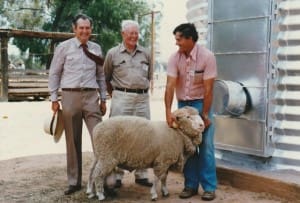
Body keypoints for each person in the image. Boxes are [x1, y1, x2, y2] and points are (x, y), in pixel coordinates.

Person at [48, 14, 107, 195]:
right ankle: (74, 181)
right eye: (81, 28)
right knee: (72, 141)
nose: (84, 31)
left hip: (91, 97)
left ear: (91, 29)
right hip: (70, 96)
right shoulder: (64, 48)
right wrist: (54, 98)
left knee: (100, 138)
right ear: (74, 29)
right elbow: (54, 73)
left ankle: (103, 181)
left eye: (87, 28)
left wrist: (103, 98)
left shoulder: (96, 48)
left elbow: (101, 75)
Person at [164, 23, 217, 201]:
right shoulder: (174, 58)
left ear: (189, 39)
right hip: (183, 105)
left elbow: (209, 89)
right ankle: (190, 185)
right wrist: (168, 113)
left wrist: (206, 114)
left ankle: (209, 187)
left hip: (202, 103)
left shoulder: (207, 57)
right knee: (188, 147)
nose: (176, 43)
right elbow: (170, 86)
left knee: (206, 146)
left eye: (179, 39)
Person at [103, 19, 153, 188]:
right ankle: (117, 175)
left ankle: (142, 173)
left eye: (136, 33)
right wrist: (116, 95)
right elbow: (106, 78)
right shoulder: (113, 53)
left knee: (144, 135)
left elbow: (149, 76)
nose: (133, 36)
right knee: (119, 136)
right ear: (123, 34)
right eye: (130, 33)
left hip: (142, 99)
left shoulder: (146, 53)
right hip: (121, 98)